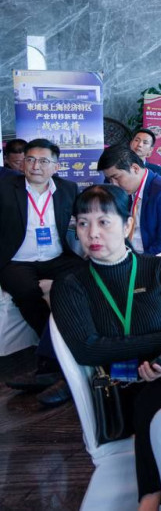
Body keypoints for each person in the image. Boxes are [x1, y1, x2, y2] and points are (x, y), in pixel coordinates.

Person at [51, 184, 161, 511]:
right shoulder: (70, 284)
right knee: (153, 395)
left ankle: (149, 499)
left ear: (128, 224)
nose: (92, 233)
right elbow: (87, 349)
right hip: (121, 384)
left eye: (103, 222)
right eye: (83, 223)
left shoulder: (159, 269)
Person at [1, 139, 86, 405]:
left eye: (43, 161)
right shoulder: (5, 188)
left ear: (56, 166)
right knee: (27, 292)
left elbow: (86, 216)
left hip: (56, 258)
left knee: (86, 279)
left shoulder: (68, 189)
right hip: (17, 260)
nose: (35, 166)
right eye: (30, 159)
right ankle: (55, 358)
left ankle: (60, 357)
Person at [98, 145, 161, 264]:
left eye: (116, 177)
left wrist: (132, 264)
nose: (114, 184)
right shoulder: (127, 192)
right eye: (109, 180)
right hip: (137, 257)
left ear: (135, 168)